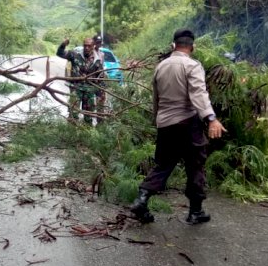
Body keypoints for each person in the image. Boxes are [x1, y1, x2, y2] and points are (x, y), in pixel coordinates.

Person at [129, 29, 226, 225]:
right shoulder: (192, 65)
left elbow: (156, 98)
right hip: (187, 123)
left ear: (173, 45)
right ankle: (195, 212)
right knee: (195, 165)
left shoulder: (161, 66)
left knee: (163, 164)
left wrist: (158, 119)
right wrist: (211, 118)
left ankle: (142, 198)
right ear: (192, 46)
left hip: (165, 123)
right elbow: (198, 94)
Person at [57, 37, 103, 124]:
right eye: (85, 45)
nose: (86, 48)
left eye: (89, 46)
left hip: (89, 92)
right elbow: (60, 53)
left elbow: (100, 79)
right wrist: (63, 44)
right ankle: (71, 135)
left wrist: (99, 95)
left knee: (88, 117)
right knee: (73, 115)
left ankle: (85, 135)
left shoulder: (97, 61)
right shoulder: (75, 55)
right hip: (76, 89)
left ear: (93, 46)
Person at [92, 34, 107, 123]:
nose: (98, 44)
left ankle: (100, 120)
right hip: (91, 80)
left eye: (100, 42)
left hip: (100, 80)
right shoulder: (90, 52)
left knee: (101, 100)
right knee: (89, 102)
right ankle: (88, 120)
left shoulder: (102, 54)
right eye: (97, 42)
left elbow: (102, 66)